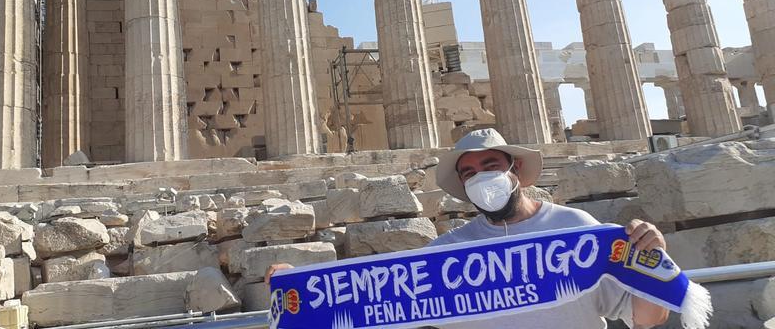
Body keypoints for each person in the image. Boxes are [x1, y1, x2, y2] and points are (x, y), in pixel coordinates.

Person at [266, 129, 670, 328]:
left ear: (516, 170)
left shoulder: (577, 230)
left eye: (490, 166)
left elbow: (647, 318)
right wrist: (300, 287)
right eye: (469, 173)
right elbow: (373, 296)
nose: (480, 177)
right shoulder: (450, 252)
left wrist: (652, 261)